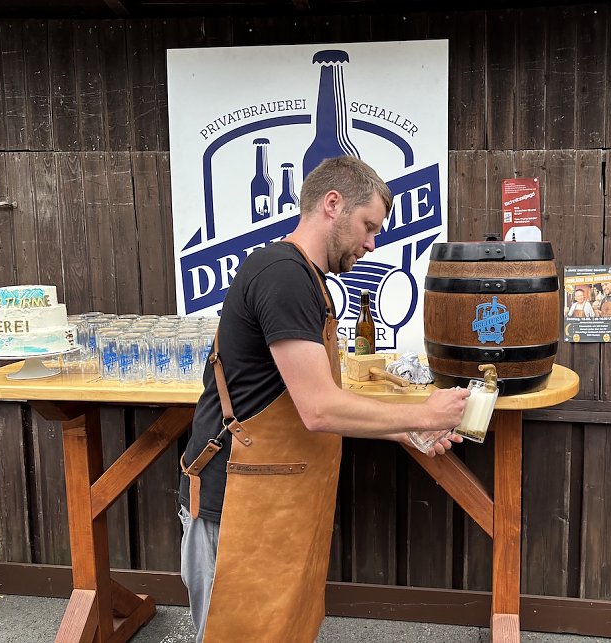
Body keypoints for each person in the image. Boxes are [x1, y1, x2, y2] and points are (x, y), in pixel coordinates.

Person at [178, 156, 469, 642]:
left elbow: (305, 400)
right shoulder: (282, 274)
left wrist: (406, 430)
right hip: (235, 503)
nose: (372, 243)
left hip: (277, 498)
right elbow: (318, 409)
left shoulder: (310, 280)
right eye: (368, 226)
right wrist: (425, 410)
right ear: (332, 204)